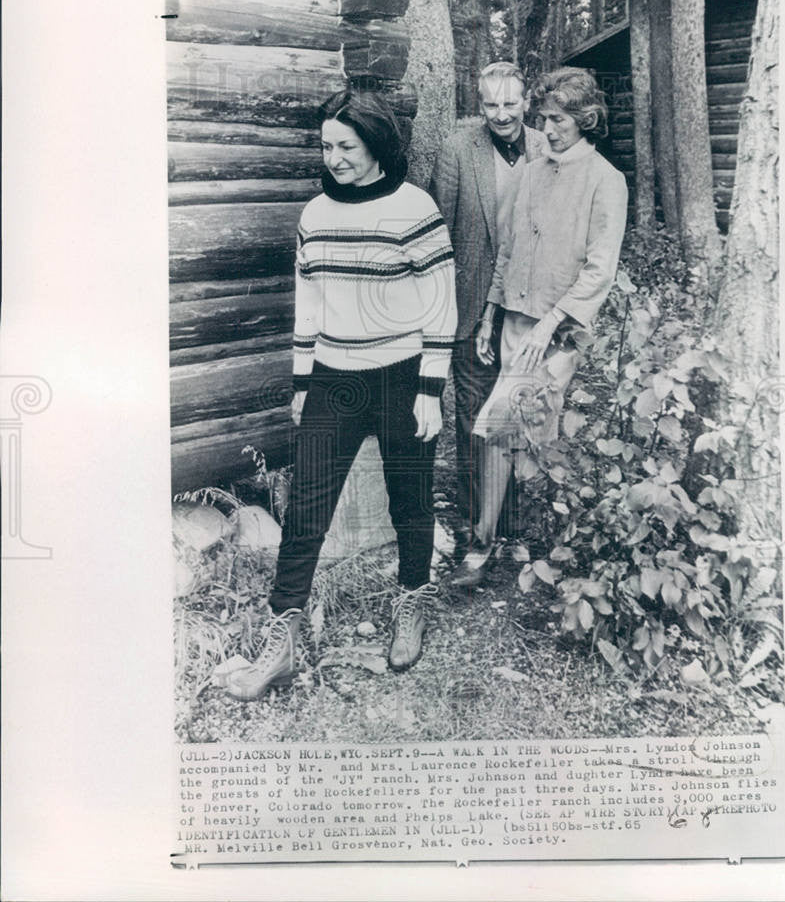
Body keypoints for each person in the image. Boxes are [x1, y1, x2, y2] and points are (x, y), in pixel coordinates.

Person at [225, 89, 457, 700]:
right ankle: (281, 641)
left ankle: (411, 602)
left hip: (402, 374)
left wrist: (431, 388)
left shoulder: (416, 210)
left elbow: (441, 304)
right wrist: (304, 381)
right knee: (305, 511)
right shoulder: (315, 215)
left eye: (346, 146)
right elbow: (312, 301)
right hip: (333, 377)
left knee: (411, 500)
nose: (335, 158)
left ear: (377, 144)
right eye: (327, 146)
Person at [452, 66, 628, 587]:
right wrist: (488, 316)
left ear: (585, 119)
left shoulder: (606, 181)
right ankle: (504, 543)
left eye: (559, 120)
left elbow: (600, 269)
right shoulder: (530, 172)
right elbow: (507, 251)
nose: (547, 130)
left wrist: (550, 324)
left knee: (514, 430)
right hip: (514, 322)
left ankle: (500, 547)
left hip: (558, 333)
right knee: (508, 432)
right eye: (544, 118)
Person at [429, 62, 546, 555]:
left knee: (517, 414)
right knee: (475, 418)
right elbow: (438, 235)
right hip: (471, 307)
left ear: (526, 102)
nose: (501, 114)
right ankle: (476, 528)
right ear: (480, 105)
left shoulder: (547, 147)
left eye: (510, 103)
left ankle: (512, 529)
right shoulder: (459, 149)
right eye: (491, 104)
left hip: (529, 311)